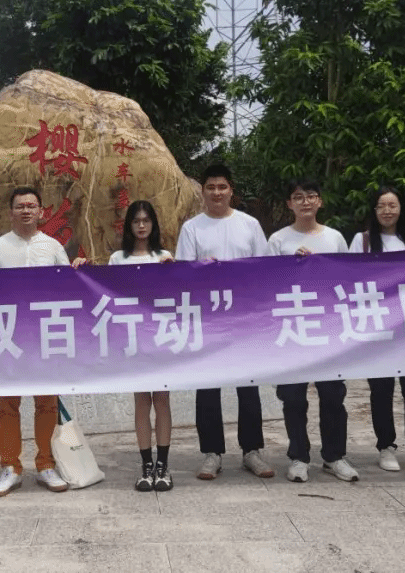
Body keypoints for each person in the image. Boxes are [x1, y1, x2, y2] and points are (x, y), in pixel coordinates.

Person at [0, 186, 82, 497]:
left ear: (41, 212)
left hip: (44, 336)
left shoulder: (53, 247)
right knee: (7, 404)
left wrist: (76, 272)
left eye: (31, 206)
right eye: (20, 206)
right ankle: (10, 467)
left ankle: (46, 464)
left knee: (46, 402)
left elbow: (68, 288)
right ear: (11, 212)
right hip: (8, 336)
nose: (26, 211)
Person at [174, 164, 273, 481]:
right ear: (202, 191)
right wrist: (203, 269)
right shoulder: (192, 228)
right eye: (211, 187)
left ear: (231, 190)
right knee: (207, 389)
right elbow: (183, 273)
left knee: (249, 387)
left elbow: (264, 269)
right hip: (208, 320)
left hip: (244, 318)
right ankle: (211, 453)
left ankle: (252, 451)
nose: (216, 192)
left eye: (222, 187)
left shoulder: (249, 225)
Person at [269, 179, 358, 484]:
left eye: (311, 196)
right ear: (289, 204)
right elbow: (266, 282)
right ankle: (298, 456)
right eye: (298, 197)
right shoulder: (278, 240)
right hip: (292, 329)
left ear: (320, 201)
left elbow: (348, 278)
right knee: (293, 398)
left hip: (329, 328)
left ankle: (334, 456)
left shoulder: (334, 238)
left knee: (333, 396)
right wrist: (291, 266)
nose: (305, 202)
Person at [348, 187, 405, 474]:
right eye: (381, 206)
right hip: (378, 328)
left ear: (401, 209)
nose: (387, 211)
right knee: (381, 390)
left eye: (392, 205)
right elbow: (350, 279)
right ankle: (386, 446)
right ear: (373, 211)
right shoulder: (361, 241)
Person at [109, 200, 175, 492]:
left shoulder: (164, 256)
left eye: (146, 220)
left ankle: (163, 465)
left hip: (159, 336)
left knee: (162, 400)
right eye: (136, 221)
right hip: (132, 338)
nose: (141, 226)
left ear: (153, 224)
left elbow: (176, 295)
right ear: (128, 225)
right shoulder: (117, 259)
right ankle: (146, 465)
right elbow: (107, 295)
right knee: (141, 401)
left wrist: (171, 272)